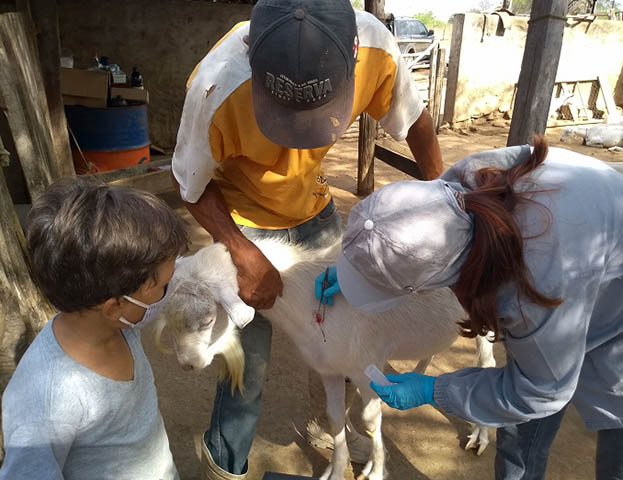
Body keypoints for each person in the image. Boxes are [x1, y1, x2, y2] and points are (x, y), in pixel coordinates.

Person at [171, 0, 443, 478]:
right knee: (246, 365)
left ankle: (329, 427)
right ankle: (225, 463)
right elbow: (189, 185)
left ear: (351, 55)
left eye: (316, 114)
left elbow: (415, 120)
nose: (298, 140)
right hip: (243, 220)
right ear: (254, 59)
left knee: (340, 334)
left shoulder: (376, 48)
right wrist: (239, 250)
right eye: (282, 115)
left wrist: (448, 199)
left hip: (315, 212)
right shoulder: (216, 87)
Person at [317, 137, 623, 480]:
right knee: (517, 428)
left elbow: (541, 391)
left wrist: (434, 390)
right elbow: (394, 232)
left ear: (434, 280)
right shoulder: (459, 186)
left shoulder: (532, 285)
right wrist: (365, 264)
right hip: (587, 269)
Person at [0, 177, 188, 480]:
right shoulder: (44, 397)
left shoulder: (122, 326)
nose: (167, 294)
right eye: (162, 288)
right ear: (115, 306)